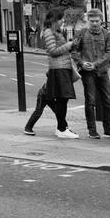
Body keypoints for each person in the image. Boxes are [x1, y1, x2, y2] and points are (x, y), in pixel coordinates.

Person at [25, 9, 78, 138]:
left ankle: (62, 128)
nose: (63, 21)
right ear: (54, 20)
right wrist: (69, 45)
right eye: (61, 19)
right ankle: (61, 129)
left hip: (62, 67)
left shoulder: (56, 32)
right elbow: (52, 51)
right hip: (58, 68)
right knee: (62, 99)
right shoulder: (49, 32)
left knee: (62, 99)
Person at [72, 8, 110, 139]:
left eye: (96, 21)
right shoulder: (81, 33)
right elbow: (74, 51)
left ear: (101, 21)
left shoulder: (107, 35)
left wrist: (95, 64)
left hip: (102, 71)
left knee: (107, 101)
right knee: (90, 101)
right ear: (88, 21)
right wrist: (81, 63)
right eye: (91, 21)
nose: (94, 23)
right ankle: (92, 130)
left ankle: (108, 129)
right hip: (87, 72)